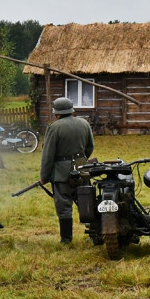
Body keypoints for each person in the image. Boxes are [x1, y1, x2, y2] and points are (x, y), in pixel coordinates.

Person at [39, 96, 95, 243]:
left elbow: (48, 155)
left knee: (63, 204)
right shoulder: (84, 123)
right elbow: (90, 147)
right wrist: (81, 160)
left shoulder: (54, 127)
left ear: (57, 113)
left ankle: (66, 238)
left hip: (61, 173)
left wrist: (44, 176)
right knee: (86, 202)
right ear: (71, 110)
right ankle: (95, 234)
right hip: (82, 169)